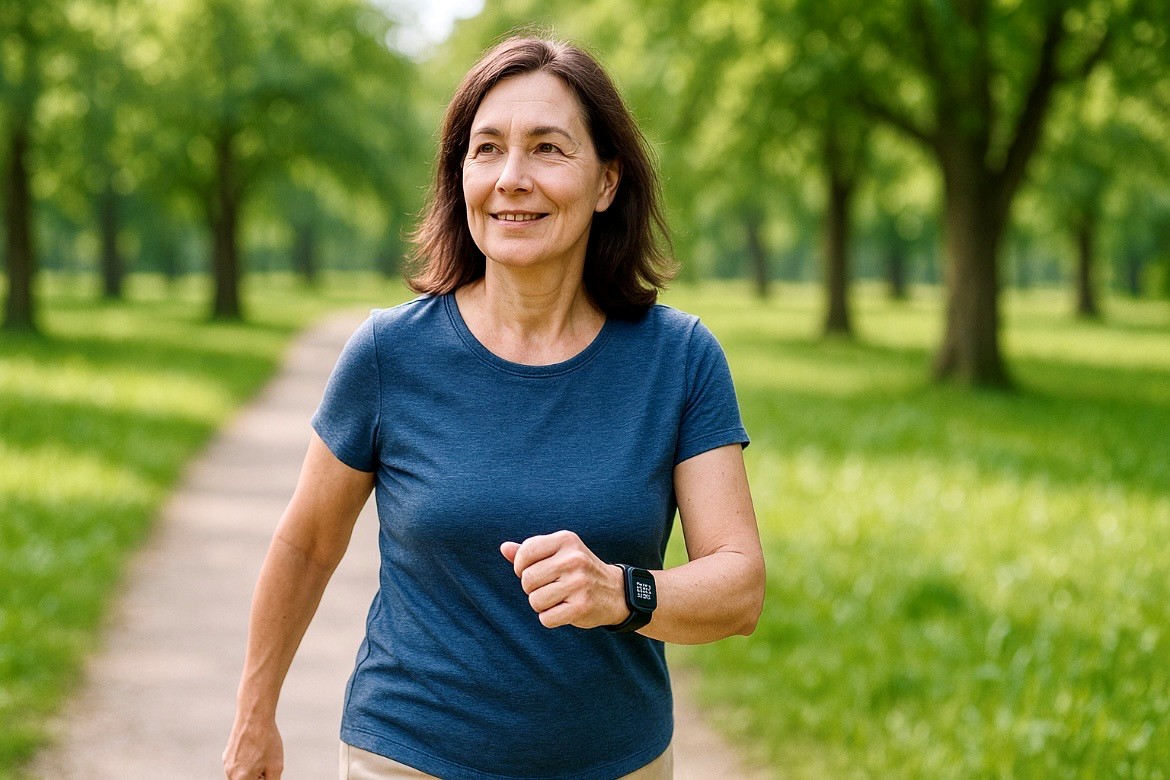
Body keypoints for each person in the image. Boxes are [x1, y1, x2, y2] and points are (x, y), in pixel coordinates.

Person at [223, 35, 765, 780]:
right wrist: (255, 717)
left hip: (618, 765)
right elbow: (307, 544)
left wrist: (619, 591)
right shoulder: (389, 355)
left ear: (607, 181)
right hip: (406, 758)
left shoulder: (678, 359)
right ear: (461, 174)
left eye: (548, 148)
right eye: (487, 149)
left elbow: (738, 584)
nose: (512, 178)